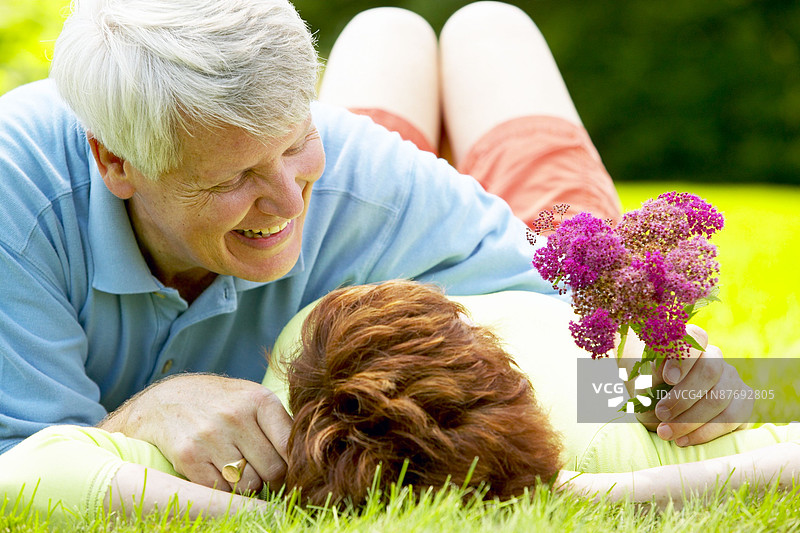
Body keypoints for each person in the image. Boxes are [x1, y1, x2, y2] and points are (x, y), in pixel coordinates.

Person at [0, 0, 751, 519]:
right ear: (116, 162)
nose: (292, 204)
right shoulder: (18, 207)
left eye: (296, 139)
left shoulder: (357, 174)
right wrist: (143, 415)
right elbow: (25, 472)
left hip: (441, 230)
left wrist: (679, 379)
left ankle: (459, 36)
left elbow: (572, 321)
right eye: (232, 179)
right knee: (392, 36)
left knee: (489, 31)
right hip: (382, 255)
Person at [2, 280, 795, 522]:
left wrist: (287, 515)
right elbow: (774, 390)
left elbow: (26, 476)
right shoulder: (602, 409)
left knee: (403, 30)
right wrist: (620, 492)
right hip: (531, 237)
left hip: (502, 248)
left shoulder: (274, 450)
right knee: (481, 25)